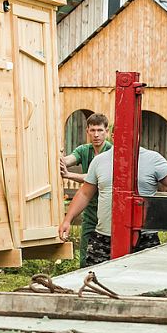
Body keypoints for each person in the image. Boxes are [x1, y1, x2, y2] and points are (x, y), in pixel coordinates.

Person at [58, 146, 167, 266]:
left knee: (144, 282)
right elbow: (84, 194)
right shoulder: (100, 160)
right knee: (96, 282)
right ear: (113, 135)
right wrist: (67, 220)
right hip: (105, 238)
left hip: (144, 238)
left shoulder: (153, 159)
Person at [59, 113, 112, 264]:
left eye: (100, 130)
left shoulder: (111, 152)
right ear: (87, 131)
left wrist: (69, 175)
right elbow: (69, 160)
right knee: (85, 255)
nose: (96, 134)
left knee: (107, 255)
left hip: (107, 211)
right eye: (93, 130)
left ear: (106, 132)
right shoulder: (84, 150)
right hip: (90, 211)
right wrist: (58, 158)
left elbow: (93, 178)